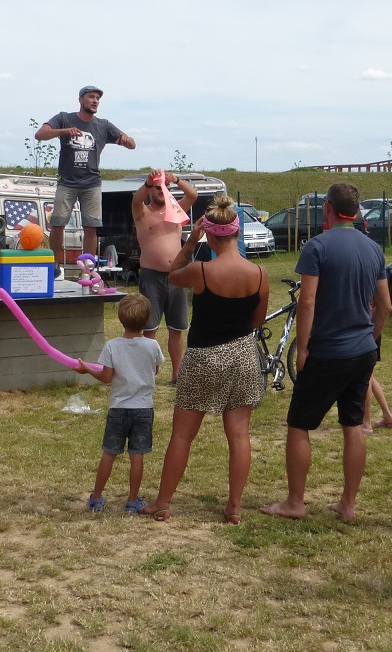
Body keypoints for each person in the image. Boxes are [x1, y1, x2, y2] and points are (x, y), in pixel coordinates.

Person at [262, 182, 389, 521]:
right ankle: (348, 504)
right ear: (357, 211)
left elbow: (307, 301)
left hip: (328, 351)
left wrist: (302, 348)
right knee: (353, 425)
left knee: (299, 425)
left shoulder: (317, 246)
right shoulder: (374, 248)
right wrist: (371, 336)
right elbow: (386, 305)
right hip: (363, 350)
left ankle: (295, 502)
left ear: (328, 208)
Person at [140, 198, 268, 523]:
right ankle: (234, 506)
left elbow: (171, 274)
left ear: (210, 235)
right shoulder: (259, 274)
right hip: (243, 356)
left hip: (203, 358)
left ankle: (163, 502)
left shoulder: (201, 271)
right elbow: (257, 321)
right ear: (237, 233)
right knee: (238, 434)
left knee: (183, 435)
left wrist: (190, 241)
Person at [75, 294, 164, 514]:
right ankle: (132, 501)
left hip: (118, 409)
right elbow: (155, 370)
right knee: (137, 456)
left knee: (109, 453)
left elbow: (106, 377)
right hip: (144, 409)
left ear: (120, 319)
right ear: (147, 319)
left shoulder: (112, 346)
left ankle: (96, 498)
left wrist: (87, 369)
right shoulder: (152, 345)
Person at [34, 86, 136, 258]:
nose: (95, 101)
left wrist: (126, 140)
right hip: (67, 182)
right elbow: (40, 134)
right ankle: (54, 265)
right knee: (57, 224)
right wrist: (65, 131)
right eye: (91, 97)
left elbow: (132, 144)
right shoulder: (64, 118)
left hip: (92, 184)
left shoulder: (103, 125)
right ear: (81, 100)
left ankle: (87, 267)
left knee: (91, 227)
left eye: (98, 98)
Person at [133, 171, 197, 383]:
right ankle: (150, 372)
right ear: (150, 191)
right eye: (157, 188)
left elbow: (193, 195)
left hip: (177, 276)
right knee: (150, 328)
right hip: (151, 277)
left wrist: (176, 179)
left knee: (177, 329)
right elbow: (136, 200)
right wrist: (147, 183)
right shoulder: (142, 212)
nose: (161, 191)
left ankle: (177, 374)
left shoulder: (176, 211)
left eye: (164, 188)